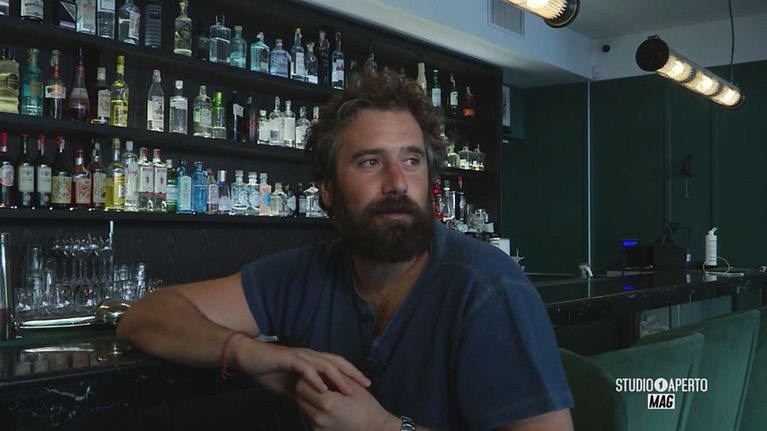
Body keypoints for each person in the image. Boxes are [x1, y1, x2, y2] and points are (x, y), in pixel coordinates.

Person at [117, 70, 574, 430]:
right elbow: (145, 317)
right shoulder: (305, 274)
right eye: (370, 161)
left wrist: (384, 428)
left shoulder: (488, 290)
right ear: (328, 189)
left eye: (412, 160)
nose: (397, 182)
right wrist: (245, 352)